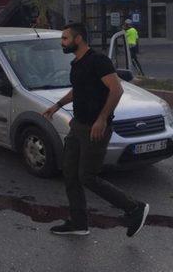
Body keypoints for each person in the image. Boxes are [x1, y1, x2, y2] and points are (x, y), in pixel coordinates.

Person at [43, 23, 149, 237]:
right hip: (78, 125)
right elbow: (78, 91)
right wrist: (57, 106)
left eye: (65, 38)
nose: (62, 42)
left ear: (78, 39)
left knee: (87, 176)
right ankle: (79, 224)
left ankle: (134, 208)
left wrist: (101, 119)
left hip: (95, 128)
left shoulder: (98, 60)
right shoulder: (76, 63)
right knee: (70, 174)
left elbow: (116, 89)